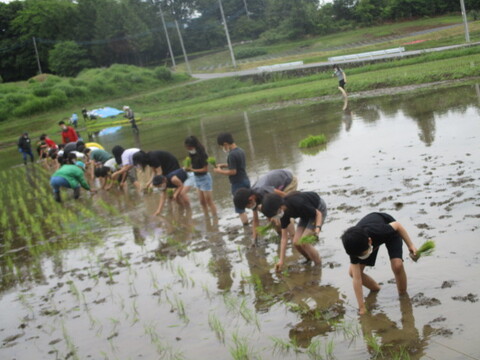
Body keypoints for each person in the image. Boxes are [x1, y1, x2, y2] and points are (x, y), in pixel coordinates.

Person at [340, 212, 418, 315]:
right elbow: (357, 278)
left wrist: (410, 245)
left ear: (370, 241)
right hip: (365, 245)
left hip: (389, 232)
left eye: (363, 254)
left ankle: (403, 296)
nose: (361, 257)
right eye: (360, 256)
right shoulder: (354, 247)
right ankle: (376, 289)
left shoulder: (378, 231)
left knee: (397, 265)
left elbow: (397, 226)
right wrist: (361, 307)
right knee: (353, 273)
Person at [262, 191, 327, 272]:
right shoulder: (283, 214)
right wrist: (281, 261)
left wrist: (317, 230)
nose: (275, 218)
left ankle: (318, 265)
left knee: (304, 241)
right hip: (305, 214)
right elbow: (284, 238)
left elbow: (318, 214)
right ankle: (309, 259)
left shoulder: (298, 202)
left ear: (280, 207)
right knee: (296, 242)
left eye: (274, 215)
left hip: (318, 208)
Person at [234, 169, 297, 243]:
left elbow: (283, 196)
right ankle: (281, 235)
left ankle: (294, 238)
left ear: (250, 199)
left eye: (247, 207)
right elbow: (255, 220)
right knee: (273, 217)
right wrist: (254, 239)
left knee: (285, 214)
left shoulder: (262, 191)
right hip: (274, 184)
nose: (248, 208)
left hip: (288, 180)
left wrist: (292, 204)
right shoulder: (253, 199)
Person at [213, 132, 250, 225]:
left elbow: (233, 171)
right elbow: (237, 166)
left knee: (240, 208)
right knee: (251, 202)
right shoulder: (240, 150)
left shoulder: (231, 155)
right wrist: (224, 165)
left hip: (238, 184)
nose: (223, 148)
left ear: (225, 144)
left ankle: (246, 226)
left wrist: (219, 171)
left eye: (222, 146)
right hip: (245, 180)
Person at [184, 136, 217, 216]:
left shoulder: (202, 154)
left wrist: (192, 170)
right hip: (196, 178)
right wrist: (188, 168)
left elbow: (205, 169)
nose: (188, 149)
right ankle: (207, 217)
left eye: (189, 147)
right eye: (187, 147)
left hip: (205, 178)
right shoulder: (191, 154)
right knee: (202, 202)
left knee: (209, 201)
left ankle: (215, 218)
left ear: (194, 146)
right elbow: (193, 165)